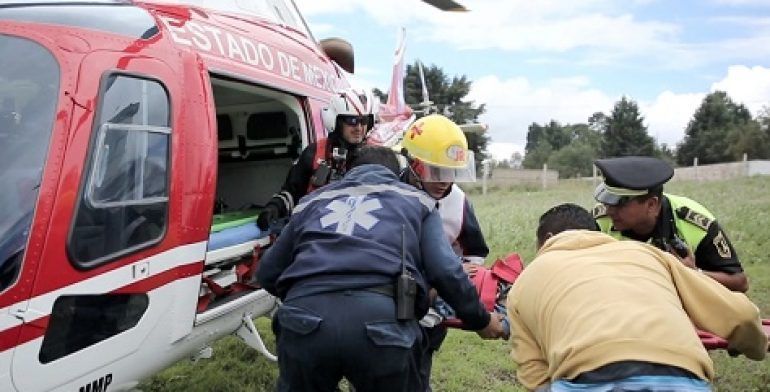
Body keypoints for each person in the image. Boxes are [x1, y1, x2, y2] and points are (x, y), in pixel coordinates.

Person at [256, 145, 506, 392]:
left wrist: (310, 298)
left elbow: (267, 272)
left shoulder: (310, 202)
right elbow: (445, 271)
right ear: (397, 173)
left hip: (303, 321)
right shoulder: (418, 202)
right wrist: (481, 320)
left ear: (349, 173)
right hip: (383, 327)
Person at [507, 203, 768, 391]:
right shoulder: (649, 255)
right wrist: (754, 348)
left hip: (585, 377)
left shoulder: (527, 280)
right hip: (679, 374)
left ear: (548, 239)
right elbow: (742, 315)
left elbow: (535, 376)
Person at [399, 114, 497, 390]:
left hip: (433, 305)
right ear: (413, 164)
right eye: (436, 172)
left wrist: (459, 271)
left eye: (451, 172)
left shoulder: (459, 201)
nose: (445, 181)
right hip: (391, 300)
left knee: (420, 366)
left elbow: (475, 250)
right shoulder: (390, 192)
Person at [592, 156, 748, 292]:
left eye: (619, 204)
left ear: (651, 205)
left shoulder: (695, 224)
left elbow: (739, 282)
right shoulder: (599, 220)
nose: (609, 210)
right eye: (607, 201)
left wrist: (692, 273)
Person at [256, 91, 374, 230]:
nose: (359, 128)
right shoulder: (314, 152)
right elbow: (292, 191)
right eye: (352, 121)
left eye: (364, 121)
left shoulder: (375, 156)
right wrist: (274, 207)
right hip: (317, 231)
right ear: (336, 122)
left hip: (360, 232)